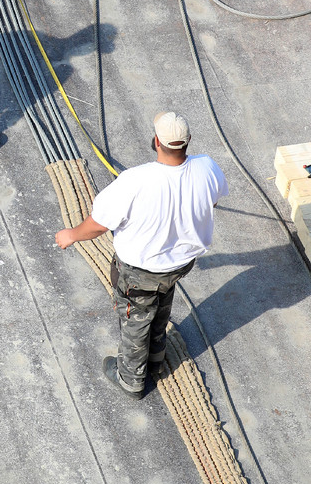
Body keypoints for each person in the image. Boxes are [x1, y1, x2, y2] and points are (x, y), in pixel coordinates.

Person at [55, 112, 228, 399]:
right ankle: (156, 361)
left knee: (136, 317)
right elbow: (214, 199)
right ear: (187, 142)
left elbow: (99, 224)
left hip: (139, 272)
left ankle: (131, 379)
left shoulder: (134, 181)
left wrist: (71, 234)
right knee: (161, 304)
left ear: (157, 142)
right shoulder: (207, 167)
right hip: (179, 265)